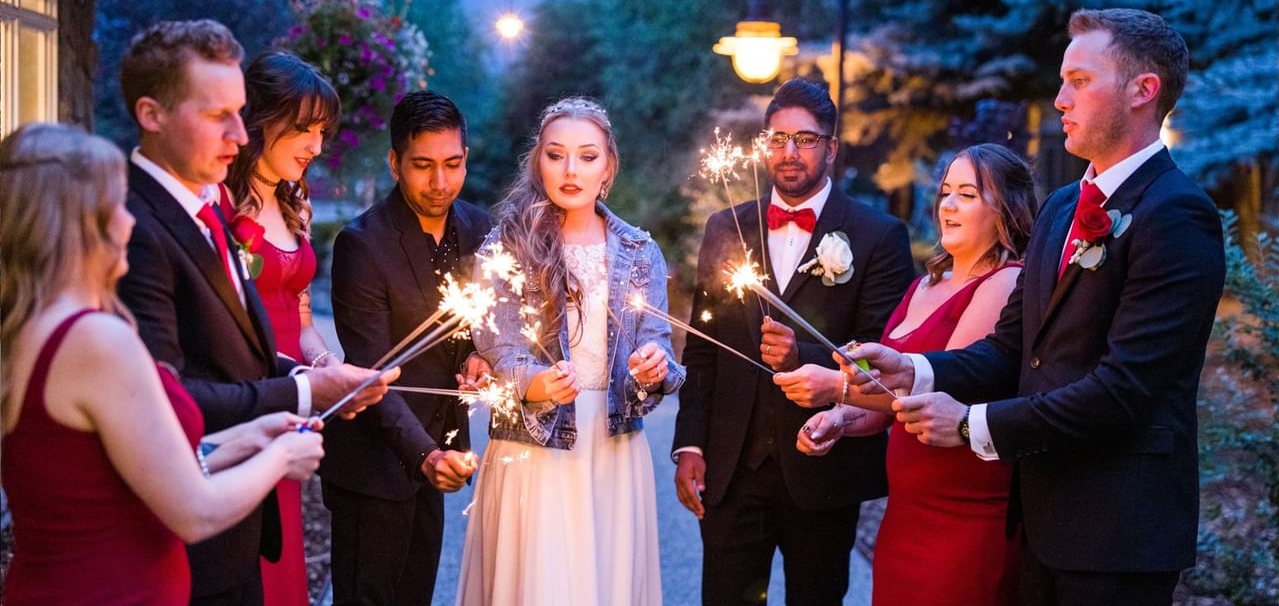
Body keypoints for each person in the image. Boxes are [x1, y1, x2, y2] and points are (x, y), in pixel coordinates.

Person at [847, 8, 1226, 605]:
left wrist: (973, 424)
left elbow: (1126, 389)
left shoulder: (1176, 214)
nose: (1058, 100)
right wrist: (914, 368)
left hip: (1117, 535)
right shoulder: (1060, 208)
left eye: (1079, 81)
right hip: (1038, 523)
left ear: (1142, 91)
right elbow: (1009, 349)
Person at [115, 19, 396, 605]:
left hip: (259, 437)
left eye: (241, 115)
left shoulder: (215, 204)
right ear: (151, 114)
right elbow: (168, 398)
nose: (239, 136)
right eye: (219, 116)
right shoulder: (139, 225)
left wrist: (311, 373)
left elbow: (263, 330)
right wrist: (301, 392)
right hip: (207, 473)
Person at [0, 123, 325, 605]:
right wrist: (282, 456)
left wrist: (243, 440)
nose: (129, 223)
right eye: (115, 208)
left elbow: (116, 474)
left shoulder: (30, 325)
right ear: (78, 225)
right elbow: (193, 510)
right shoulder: (94, 339)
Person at [672, 78, 916, 605]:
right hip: (733, 469)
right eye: (777, 138)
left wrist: (802, 356)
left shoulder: (878, 236)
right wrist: (688, 445)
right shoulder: (726, 227)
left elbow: (884, 355)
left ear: (831, 148)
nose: (789, 152)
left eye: (805, 139)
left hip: (826, 468)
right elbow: (702, 347)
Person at [457, 97, 684, 606]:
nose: (571, 169)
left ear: (609, 166)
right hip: (534, 446)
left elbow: (659, 346)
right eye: (556, 155)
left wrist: (652, 366)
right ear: (538, 161)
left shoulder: (639, 251)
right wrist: (535, 382)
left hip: (612, 447)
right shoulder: (505, 247)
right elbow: (500, 344)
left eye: (587, 156)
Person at [797, 143, 1037, 605]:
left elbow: (938, 391)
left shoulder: (1006, 283)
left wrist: (836, 386)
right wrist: (841, 417)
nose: (947, 204)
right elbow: (887, 400)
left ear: (1006, 210)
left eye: (967, 194)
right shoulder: (922, 284)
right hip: (906, 512)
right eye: (946, 191)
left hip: (964, 515)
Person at [320, 91, 492, 605]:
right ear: (395, 163)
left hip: (439, 454)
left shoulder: (481, 230)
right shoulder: (362, 245)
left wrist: (480, 358)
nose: (440, 183)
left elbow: (484, 328)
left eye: (453, 164)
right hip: (375, 466)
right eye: (423, 166)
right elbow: (373, 372)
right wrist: (425, 456)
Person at [219, 51, 346, 606]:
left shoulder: (296, 200)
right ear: (259, 122)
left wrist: (326, 366)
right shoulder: (222, 201)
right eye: (303, 129)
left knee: (282, 549)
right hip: (243, 394)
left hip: (292, 400)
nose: (316, 145)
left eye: (322, 131)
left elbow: (299, 319)